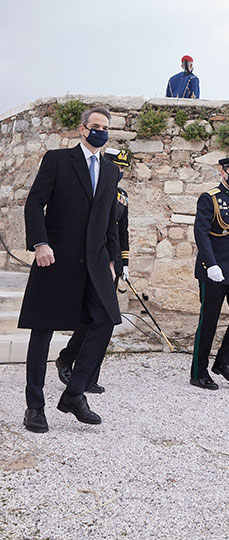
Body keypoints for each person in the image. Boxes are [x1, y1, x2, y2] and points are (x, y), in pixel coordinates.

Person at [19, 106, 122, 432]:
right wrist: (40, 243)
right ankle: (34, 407)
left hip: (95, 263)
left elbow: (109, 220)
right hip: (55, 259)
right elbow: (34, 202)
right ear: (82, 129)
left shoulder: (110, 171)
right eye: (96, 126)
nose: (101, 132)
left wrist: (112, 260)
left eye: (105, 127)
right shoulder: (58, 160)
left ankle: (75, 393)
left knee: (105, 319)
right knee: (42, 331)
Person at [55, 148, 132, 395]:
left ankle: (89, 376)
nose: (120, 172)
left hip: (111, 264)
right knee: (90, 319)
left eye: (123, 168)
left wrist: (124, 263)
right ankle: (67, 358)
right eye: (117, 167)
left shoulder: (122, 196)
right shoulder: (94, 189)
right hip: (92, 260)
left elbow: (122, 231)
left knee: (103, 320)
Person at [190, 155, 229, 390]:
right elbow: (201, 233)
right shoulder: (209, 198)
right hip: (213, 269)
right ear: (222, 172)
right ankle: (198, 372)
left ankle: (225, 362)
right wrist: (211, 264)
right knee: (209, 321)